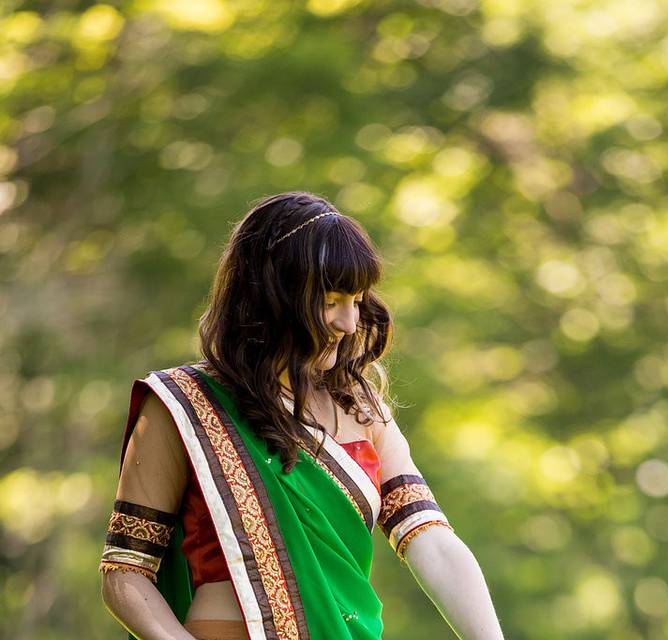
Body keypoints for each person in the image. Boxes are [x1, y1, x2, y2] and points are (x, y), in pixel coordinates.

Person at [99, 192, 506, 640]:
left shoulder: (361, 407)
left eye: (357, 299)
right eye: (332, 300)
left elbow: (430, 540)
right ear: (272, 296)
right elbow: (125, 570)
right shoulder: (185, 404)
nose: (349, 323)